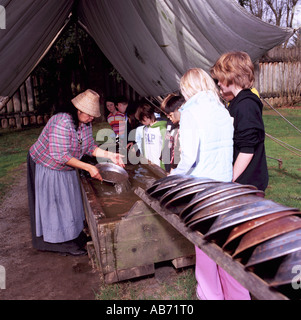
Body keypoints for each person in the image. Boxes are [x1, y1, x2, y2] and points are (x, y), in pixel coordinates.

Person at [170, 68, 250, 300]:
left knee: (206, 252)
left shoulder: (191, 113)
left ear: (187, 89)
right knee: (227, 250)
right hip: (226, 190)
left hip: (202, 193)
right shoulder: (222, 111)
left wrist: (174, 177)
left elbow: (190, 157)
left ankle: (210, 296)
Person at [27, 89, 124, 256]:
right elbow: (60, 155)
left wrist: (110, 155)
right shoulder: (62, 122)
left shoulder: (85, 123)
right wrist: (89, 167)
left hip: (68, 166)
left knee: (70, 201)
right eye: (89, 114)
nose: (91, 118)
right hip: (48, 165)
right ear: (78, 110)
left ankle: (72, 234)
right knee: (55, 203)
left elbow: (88, 147)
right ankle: (58, 241)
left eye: (93, 115)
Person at [210, 51, 269, 192]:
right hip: (241, 183)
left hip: (247, 183)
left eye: (220, 79)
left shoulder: (246, 105)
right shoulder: (237, 103)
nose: (218, 83)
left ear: (231, 76)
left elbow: (247, 150)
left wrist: (230, 179)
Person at [135, 102, 167, 169]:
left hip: (159, 164)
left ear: (145, 117)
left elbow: (166, 148)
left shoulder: (161, 128)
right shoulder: (145, 129)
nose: (141, 123)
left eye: (141, 120)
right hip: (149, 163)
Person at [161, 94, 184, 173]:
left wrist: (173, 168)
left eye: (169, 115)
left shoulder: (180, 129)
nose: (168, 117)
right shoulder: (174, 126)